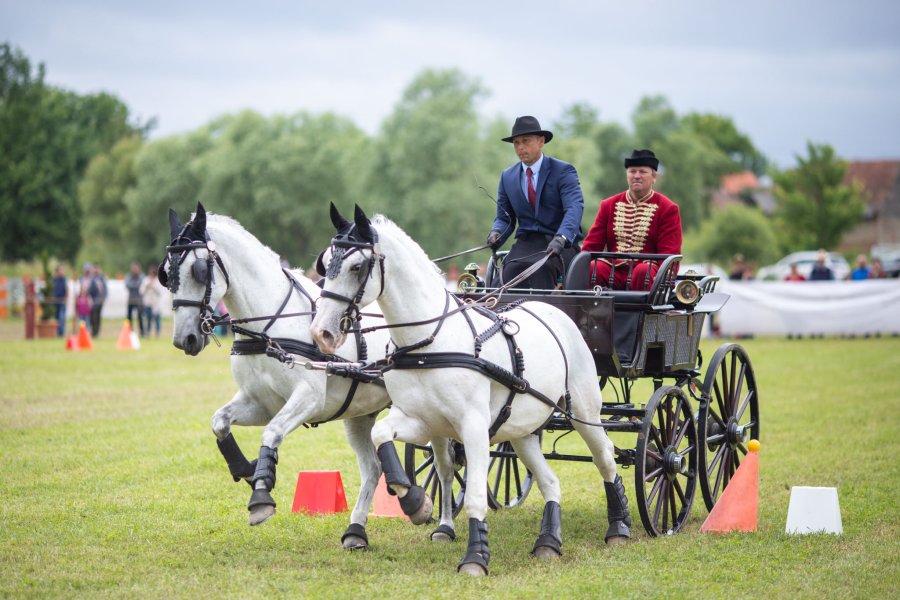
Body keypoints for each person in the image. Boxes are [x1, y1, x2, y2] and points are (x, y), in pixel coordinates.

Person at [486, 116, 584, 290]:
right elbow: (505, 218)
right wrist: (497, 233)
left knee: (541, 271)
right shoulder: (507, 177)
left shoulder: (563, 171)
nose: (520, 147)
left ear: (541, 141)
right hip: (525, 245)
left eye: (525, 141)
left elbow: (574, 208)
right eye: (516, 143)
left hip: (559, 245)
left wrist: (562, 237)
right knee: (505, 276)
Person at [581, 149, 682, 290]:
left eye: (643, 171)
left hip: (646, 276)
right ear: (627, 175)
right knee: (593, 268)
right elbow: (591, 246)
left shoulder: (667, 208)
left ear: (654, 177)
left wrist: (664, 284)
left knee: (643, 272)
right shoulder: (609, 205)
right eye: (632, 171)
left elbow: (670, 253)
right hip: (613, 272)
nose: (637, 176)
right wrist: (577, 268)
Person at [141, 264, 165, 338]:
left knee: (157, 320)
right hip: (148, 303)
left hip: (156, 304)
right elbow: (141, 291)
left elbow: (160, 292)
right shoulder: (145, 280)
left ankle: (157, 334)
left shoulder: (158, 281)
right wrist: (147, 286)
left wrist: (153, 287)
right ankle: (147, 333)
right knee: (148, 319)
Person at [125, 262, 146, 336]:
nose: (135, 270)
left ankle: (142, 332)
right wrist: (135, 285)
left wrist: (133, 285)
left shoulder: (141, 276)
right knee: (129, 317)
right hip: (130, 300)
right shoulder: (128, 275)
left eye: (136, 268)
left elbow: (141, 284)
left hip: (139, 301)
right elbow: (127, 285)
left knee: (140, 317)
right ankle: (129, 332)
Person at [88, 264, 108, 337]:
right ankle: (93, 331)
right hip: (92, 301)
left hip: (99, 301)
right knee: (92, 317)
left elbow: (105, 290)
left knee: (97, 317)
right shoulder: (91, 278)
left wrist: (103, 299)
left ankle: (96, 333)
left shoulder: (102, 278)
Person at [52, 265, 68, 337]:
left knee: (61, 317)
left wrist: (66, 299)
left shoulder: (64, 280)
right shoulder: (53, 280)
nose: (62, 272)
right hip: (55, 302)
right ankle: (56, 332)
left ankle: (61, 333)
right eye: (60, 270)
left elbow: (66, 290)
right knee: (56, 318)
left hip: (62, 301)